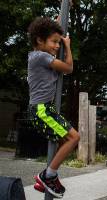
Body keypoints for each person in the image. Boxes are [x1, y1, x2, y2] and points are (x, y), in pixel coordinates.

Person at [27, 17, 80, 198]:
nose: (58, 46)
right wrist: (68, 46)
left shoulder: (39, 54)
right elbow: (68, 68)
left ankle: (47, 179)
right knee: (74, 137)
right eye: (54, 42)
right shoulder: (41, 56)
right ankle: (48, 176)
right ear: (40, 40)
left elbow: (51, 27)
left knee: (66, 140)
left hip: (43, 109)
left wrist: (63, 14)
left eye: (59, 42)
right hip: (42, 110)